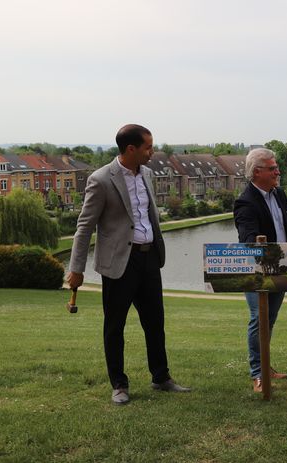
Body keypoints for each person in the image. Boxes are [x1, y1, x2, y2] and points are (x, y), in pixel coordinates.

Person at [67, 124, 190, 406]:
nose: (152, 151)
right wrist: (76, 268)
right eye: (148, 147)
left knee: (155, 323)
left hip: (149, 259)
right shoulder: (100, 180)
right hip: (119, 263)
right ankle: (119, 385)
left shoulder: (147, 173)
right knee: (114, 326)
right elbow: (84, 228)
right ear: (131, 149)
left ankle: (161, 378)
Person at [234, 148, 287, 393]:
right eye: (272, 168)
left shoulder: (279, 194)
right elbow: (248, 238)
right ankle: (258, 373)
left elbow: (286, 230)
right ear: (257, 172)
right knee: (258, 319)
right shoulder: (245, 201)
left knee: (269, 320)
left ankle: (266, 366)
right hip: (256, 269)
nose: (277, 171)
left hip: (283, 268)